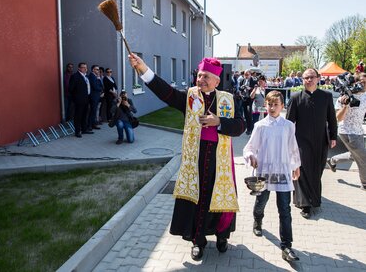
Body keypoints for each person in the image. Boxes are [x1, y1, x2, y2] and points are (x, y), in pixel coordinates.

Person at [129, 54, 245, 261]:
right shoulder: (190, 97)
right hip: (196, 157)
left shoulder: (229, 99)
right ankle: (197, 241)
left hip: (220, 161)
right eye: (199, 75)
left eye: (206, 77)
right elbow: (166, 93)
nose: (200, 80)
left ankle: (221, 236)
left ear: (216, 81)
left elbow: (241, 126)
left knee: (218, 198)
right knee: (197, 201)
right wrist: (144, 69)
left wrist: (219, 121)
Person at [243, 90, 301, 262]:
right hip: (265, 172)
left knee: (284, 209)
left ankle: (287, 246)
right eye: (270, 104)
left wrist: (296, 165)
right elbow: (249, 148)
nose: (272, 107)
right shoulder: (260, 126)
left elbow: (293, 148)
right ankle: (257, 220)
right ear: (265, 105)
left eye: (276, 104)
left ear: (282, 106)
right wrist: (250, 156)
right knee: (261, 201)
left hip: (282, 172)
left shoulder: (289, 125)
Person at [286, 68, 337, 218]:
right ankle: (305, 204)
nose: (309, 80)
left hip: (321, 141)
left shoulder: (326, 96)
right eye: (305, 78)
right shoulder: (296, 98)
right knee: (303, 170)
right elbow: (289, 122)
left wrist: (333, 136)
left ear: (318, 78)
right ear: (302, 80)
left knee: (317, 170)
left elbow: (331, 119)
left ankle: (314, 199)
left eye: (311, 77)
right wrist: (286, 141)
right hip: (301, 141)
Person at [327, 73, 366, 190]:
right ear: (355, 83)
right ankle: (365, 184)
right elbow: (337, 118)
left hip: (359, 131)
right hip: (347, 131)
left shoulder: (365, 96)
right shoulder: (343, 98)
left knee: (355, 155)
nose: (363, 85)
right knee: (363, 157)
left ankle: (333, 160)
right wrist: (346, 106)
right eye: (362, 82)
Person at [68, 63, 94, 138]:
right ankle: (77, 131)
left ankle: (84, 129)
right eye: (83, 67)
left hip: (87, 99)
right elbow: (71, 89)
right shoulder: (75, 76)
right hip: (79, 100)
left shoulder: (86, 76)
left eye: (86, 67)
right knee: (78, 116)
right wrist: (76, 98)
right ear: (79, 68)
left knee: (85, 115)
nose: (85, 69)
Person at [240, 69, 256, 135]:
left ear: (250, 74)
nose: (246, 76)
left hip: (250, 99)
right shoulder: (242, 80)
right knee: (245, 114)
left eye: (247, 75)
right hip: (244, 99)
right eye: (245, 75)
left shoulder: (253, 80)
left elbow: (256, 88)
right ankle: (248, 128)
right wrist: (242, 87)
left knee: (249, 114)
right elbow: (240, 88)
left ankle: (250, 129)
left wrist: (250, 88)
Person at [87, 65, 104, 130]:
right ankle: (89, 126)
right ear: (93, 70)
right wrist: (101, 89)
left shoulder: (96, 76)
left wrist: (99, 79)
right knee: (92, 111)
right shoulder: (92, 76)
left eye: (98, 69)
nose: (98, 70)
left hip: (96, 96)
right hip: (93, 96)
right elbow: (95, 86)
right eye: (96, 69)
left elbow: (101, 85)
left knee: (94, 111)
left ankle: (93, 124)